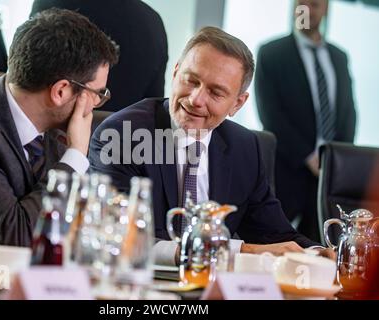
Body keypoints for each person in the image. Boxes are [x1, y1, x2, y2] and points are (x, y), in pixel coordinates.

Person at [89, 26, 334, 265]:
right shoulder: (124, 134)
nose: (196, 100)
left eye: (216, 92)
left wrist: (316, 254)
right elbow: (116, 237)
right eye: (191, 80)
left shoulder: (245, 147)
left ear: (237, 104)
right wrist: (240, 251)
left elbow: (276, 236)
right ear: (175, 73)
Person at [0, 8, 119, 246]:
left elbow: (90, 231)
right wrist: (75, 157)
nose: (96, 103)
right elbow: (14, 236)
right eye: (97, 93)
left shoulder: (56, 130)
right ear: (61, 91)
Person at [255, 0, 357, 241]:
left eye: (314, 4)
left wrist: (338, 157)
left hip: (330, 177)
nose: (306, 10)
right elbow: (270, 114)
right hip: (287, 171)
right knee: (276, 243)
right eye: (301, 3)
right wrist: (308, 156)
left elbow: (348, 113)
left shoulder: (339, 57)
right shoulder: (272, 53)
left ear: (326, 9)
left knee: (322, 246)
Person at [30, 0, 168, 112]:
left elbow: (26, 72)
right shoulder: (153, 22)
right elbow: (153, 107)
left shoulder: (52, 4)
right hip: (123, 139)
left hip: (53, 137)